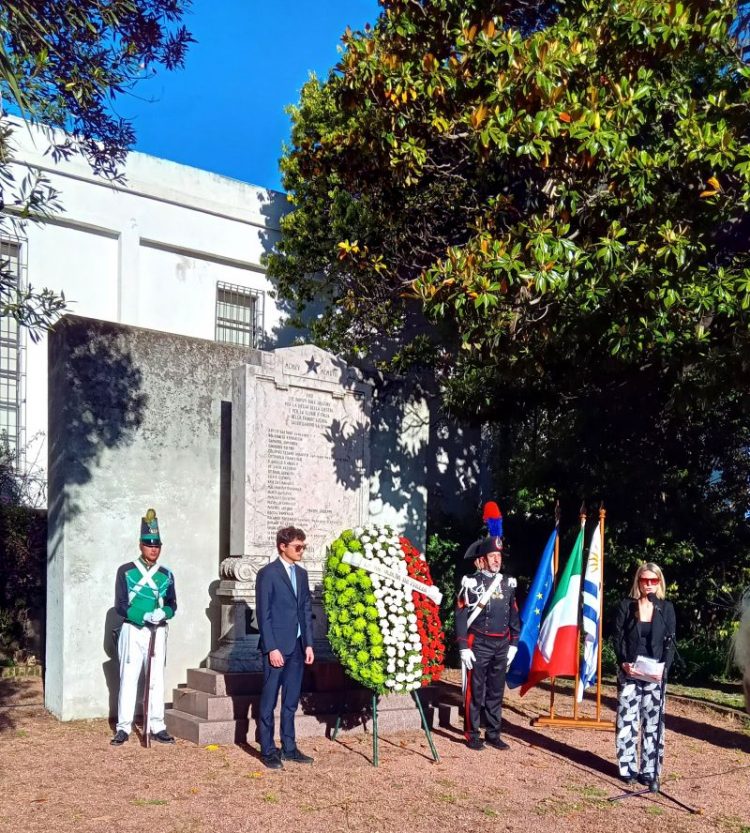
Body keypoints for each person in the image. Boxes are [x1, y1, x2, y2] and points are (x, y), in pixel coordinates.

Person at [111, 508, 177, 746]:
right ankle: (123, 727)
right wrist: (143, 615)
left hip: (157, 631)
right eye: (149, 544)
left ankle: (157, 725)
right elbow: (120, 605)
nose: (153, 549)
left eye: (157, 545)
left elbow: (172, 604)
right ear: (141, 545)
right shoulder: (126, 571)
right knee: (129, 678)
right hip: (134, 629)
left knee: (156, 679)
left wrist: (163, 613)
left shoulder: (166, 574)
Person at [613, 562, 676, 791]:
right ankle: (627, 768)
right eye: (644, 580)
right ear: (637, 581)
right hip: (631, 670)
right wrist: (623, 663)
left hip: (655, 674)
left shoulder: (665, 608)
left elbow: (670, 643)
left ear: (659, 582)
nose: (648, 585)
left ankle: (649, 771)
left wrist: (664, 670)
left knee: (653, 724)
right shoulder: (626, 606)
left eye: (653, 580)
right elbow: (617, 638)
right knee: (628, 720)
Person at [256, 526, 315, 769]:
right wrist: (271, 648)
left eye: (303, 547)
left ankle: (289, 747)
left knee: (291, 701)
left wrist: (309, 644)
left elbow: (305, 610)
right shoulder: (267, 574)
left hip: (298, 648)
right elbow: (263, 613)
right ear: (282, 546)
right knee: (269, 700)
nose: (301, 551)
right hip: (277, 649)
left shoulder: (301, 574)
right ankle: (268, 750)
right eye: (297, 547)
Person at [456, 533, 520, 751]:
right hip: (479, 643)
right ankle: (471, 733)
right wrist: (463, 646)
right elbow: (461, 615)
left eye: (498, 556)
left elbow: (513, 614)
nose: (496, 560)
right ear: (482, 559)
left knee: (495, 691)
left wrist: (514, 643)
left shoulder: (508, 583)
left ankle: (493, 733)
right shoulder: (472, 582)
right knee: (475, 691)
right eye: (492, 556)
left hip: (501, 644)